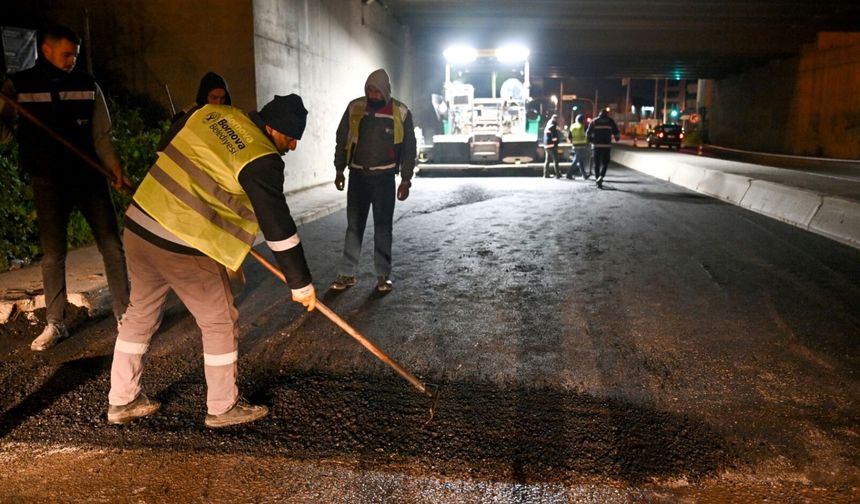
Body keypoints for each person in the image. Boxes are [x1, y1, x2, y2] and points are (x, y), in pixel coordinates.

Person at [106, 94, 316, 428]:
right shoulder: (261, 158)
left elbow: (165, 148)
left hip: (140, 224)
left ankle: (122, 399)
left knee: (140, 314)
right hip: (182, 242)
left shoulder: (210, 115)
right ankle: (222, 407)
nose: (291, 147)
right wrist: (300, 283)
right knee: (219, 320)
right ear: (273, 128)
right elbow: (278, 225)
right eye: (290, 138)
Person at [0, 24, 130, 351]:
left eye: (75, 54)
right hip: (47, 181)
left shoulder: (88, 85)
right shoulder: (19, 86)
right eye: (66, 54)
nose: (72, 60)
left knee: (112, 246)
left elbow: (102, 134)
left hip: (89, 177)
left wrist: (114, 167)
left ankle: (125, 315)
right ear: (46, 50)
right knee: (53, 255)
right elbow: (4, 134)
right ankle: (56, 323)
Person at [330, 69, 416, 293]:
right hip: (357, 176)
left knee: (383, 228)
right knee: (354, 227)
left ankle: (382, 276)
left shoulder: (400, 112)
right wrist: (339, 169)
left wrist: (406, 180)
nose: (373, 94)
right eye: (369, 89)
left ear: (386, 91)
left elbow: (409, 148)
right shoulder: (355, 108)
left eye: (377, 90)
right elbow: (342, 138)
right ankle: (347, 274)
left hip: (384, 179)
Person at [586, 108, 620, 189]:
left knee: (596, 164)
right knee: (605, 163)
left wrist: (591, 141)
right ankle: (601, 176)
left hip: (596, 146)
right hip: (606, 146)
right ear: (607, 114)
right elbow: (616, 131)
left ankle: (597, 179)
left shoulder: (594, 121)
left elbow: (588, 133)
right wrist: (617, 138)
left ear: (599, 114)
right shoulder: (610, 121)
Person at [567, 113, 591, 180]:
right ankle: (569, 174)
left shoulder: (572, 126)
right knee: (576, 160)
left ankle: (584, 175)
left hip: (575, 145)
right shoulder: (584, 126)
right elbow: (588, 135)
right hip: (582, 145)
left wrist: (572, 142)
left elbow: (569, 137)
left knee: (580, 160)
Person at [542, 114, 561, 178]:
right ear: (556, 119)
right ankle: (558, 174)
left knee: (547, 160)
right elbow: (554, 138)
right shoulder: (553, 126)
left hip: (546, 145)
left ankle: (545, 174)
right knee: (555, 160)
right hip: (551, 145)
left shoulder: (548, 125)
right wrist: (557, 141)